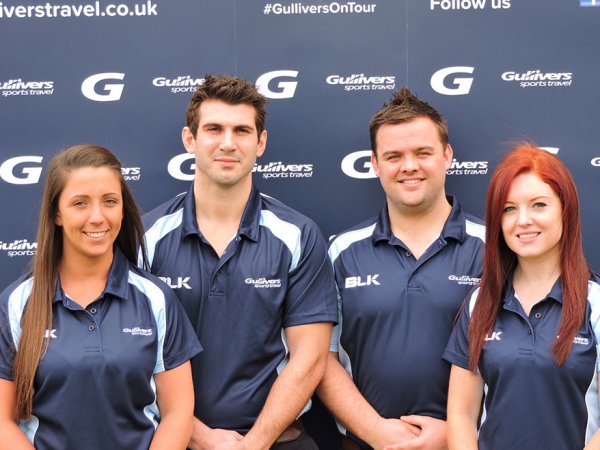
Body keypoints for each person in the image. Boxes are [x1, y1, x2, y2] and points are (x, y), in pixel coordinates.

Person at [141, 74, 338, 450]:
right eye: (214, 129)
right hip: (174, 440)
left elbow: (310, 358)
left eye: (242, 131)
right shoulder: (146, 238)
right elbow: (133, 355)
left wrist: (254, 444)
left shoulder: (298, 234)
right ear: (189, 139)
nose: (228, 143)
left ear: (260, 142)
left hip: (278, 441)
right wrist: (200, 437)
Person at [0, 144, 202, 450]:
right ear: (57, 213)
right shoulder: (17, 304)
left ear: (122, 208)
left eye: (110, 201)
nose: (97, 217)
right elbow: (3, 421)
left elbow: (178, 412)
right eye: (80, 203)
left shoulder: (156, 298)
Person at [318, 87, 485, 450]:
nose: (409, 166)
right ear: (375, 164)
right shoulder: (342, 251)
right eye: (394, 156)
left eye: (423, 153)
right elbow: (320, 359)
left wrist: (454, 433)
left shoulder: (493, 249)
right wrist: (377, 432)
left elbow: (518, 358)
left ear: (447, 155)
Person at [444, 145, 600, 450]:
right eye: (509, 209)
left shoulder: (594, 304)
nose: (523, 220)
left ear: (565, 209)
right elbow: (461, 415)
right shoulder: (480, 303)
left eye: (539, 205)